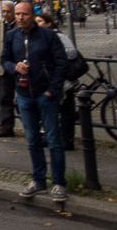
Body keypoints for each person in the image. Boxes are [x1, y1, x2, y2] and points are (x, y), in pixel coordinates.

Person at [2, 1, 69, 201]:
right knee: (32, 140)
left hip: (45, 94)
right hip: (23, 95)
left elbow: (62, 64)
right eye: (18, 14)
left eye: (25, 14)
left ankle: (58, 183)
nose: (21, 18)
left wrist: (52, 91)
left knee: (53, 140)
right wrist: (15, 67)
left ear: (33, 15)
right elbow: (3, 60)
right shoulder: (11, 36)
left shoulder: (48, 36)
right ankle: (38, 180)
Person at [36, 11, 83, 151]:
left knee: (66, 112)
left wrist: (54, 55)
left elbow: (72, 52)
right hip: (51, 81)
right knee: (54, 112)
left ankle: (67, 141)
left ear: (48, 23)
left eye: (39, 21)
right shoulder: (40, 37)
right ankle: (55, 138)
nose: (37, 24)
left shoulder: (58, 36)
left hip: (64, 81)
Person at [0, 1, 17, 137]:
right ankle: (5, 127)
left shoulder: (19, 24)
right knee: (3, 98)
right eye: (3, 12)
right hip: (3, 68)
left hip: (19, 67)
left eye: (8, 12)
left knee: (22, 98)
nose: (5, 14)